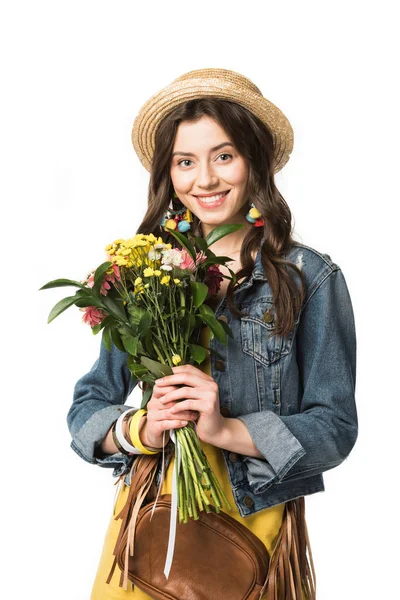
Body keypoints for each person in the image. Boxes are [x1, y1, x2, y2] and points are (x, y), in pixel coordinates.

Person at [68, 68, 358, 599]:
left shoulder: (310, 278)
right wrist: (142, 429)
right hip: (152, 526)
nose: (204, 179)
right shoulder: (142, 275)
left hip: (255, 525)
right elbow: (88, 407)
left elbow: (335, 426)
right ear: (169, 173)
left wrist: (225, 430)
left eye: (223, 155)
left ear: (255, 159)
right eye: (185, 161)